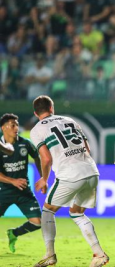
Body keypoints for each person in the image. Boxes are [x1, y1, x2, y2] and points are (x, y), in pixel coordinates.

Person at [29, 96, 109, 267]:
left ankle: (50, 255)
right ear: (52, 108)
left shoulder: (36, 130)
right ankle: (99, 255)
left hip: (69, 174)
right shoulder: (69, 120)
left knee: (48, 211)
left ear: (36, 113)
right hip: (91, 171)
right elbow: (87, 148)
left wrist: (44, 178)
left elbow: (45, 158)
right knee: (77, 213)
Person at [0, 113, 42, 253]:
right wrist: (13, 181)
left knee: (37, 223)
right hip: (3, 190)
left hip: (23, 190)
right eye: (13, 125)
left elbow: (38, 158)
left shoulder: (25, 143)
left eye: (17, 124)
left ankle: (14, 233)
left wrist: (43, 178)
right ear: (3, 128)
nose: (16, 127)